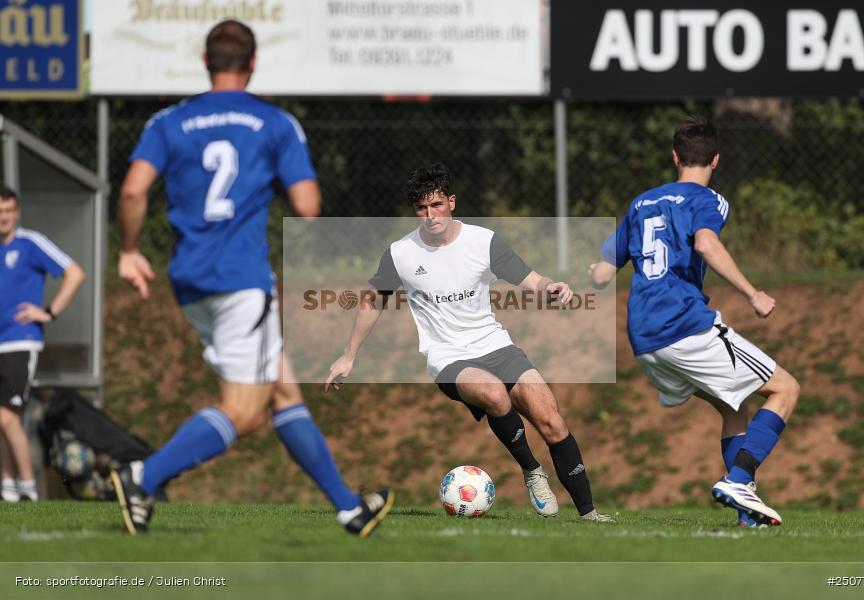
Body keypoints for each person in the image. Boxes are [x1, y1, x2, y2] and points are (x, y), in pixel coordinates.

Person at [112, 20, 392, 537]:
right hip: (241, 279)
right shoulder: (274, 122)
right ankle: (142, 477)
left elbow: (132, 192)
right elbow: (308, 206)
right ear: (254, 63)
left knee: (283, 391)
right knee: (243, 410)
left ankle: (348, 508)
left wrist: (129, 251)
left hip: (190, 278)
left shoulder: (168, 121)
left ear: (205, 61)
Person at [325, 163, 611, 522]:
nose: (430, 216)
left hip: (496, 346)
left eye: (437, 205)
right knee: (493, 393)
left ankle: (590, 514)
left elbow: (530, 279)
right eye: (421, 209)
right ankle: (533, 471)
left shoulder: (483, 241)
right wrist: (348, 355)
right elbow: (373, 300)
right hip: (447, 358)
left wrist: (552, 287)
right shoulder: (400, 253)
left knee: (550, 417)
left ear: (452, 202)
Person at [589, 116, 800, 527]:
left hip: (644, 338)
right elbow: (705, 242)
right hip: (684, 325)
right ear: (716, 160)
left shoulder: (640, 202)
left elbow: (599, 274)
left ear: (674, 157)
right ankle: (738, 479)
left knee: (733, 405)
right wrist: (752, 293)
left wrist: (586, 271)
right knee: (786, 390)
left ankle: (746, 515)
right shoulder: (710, 200)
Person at [0, 184, 85, 501]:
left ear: (17, 212)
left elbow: (75, 273)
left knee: (7, 417)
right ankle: (7, 488)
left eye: (9, 211)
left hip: (19, 342)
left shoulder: (30, 243)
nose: (4, 218)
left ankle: (28, 487)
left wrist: (49, 312)